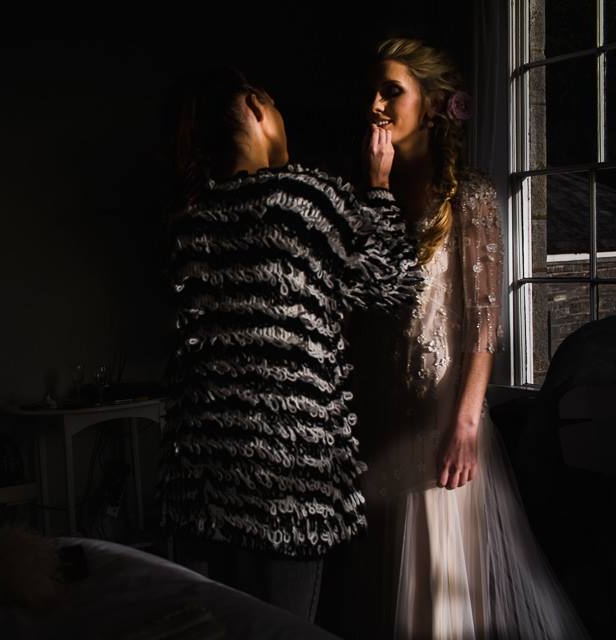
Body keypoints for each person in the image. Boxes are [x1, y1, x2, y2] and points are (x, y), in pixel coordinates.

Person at [342, 37, 588, 638]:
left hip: (439, 418)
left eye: (391, 91)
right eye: (371, 92)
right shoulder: (368, 193)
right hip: (378, 410)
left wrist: (467, 425)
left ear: (432, 104)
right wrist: (375, 189)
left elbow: (484, 323)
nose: (375, 105)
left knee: (437, 581)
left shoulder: (468, 195)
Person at [157, 67, 420, 621]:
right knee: (280, 629)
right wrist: (379, 185)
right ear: (256, 107)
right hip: (284, 483)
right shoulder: (299, 198)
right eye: (275, 106)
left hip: (202, 479)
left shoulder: (190, 219)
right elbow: (393, 282)